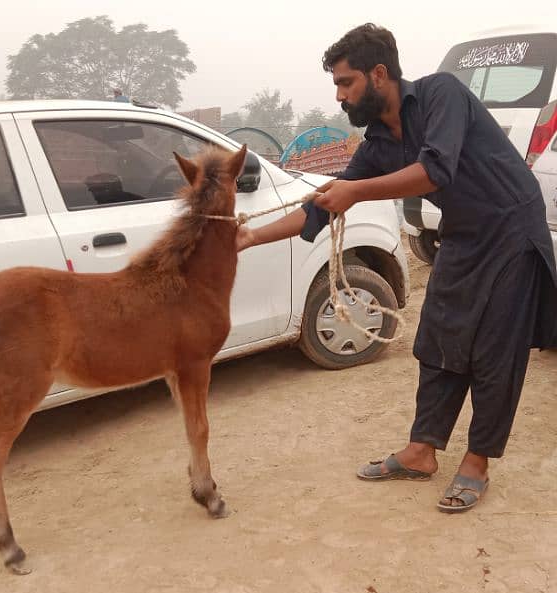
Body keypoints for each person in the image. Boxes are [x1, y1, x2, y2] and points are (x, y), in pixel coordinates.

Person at [237, 23, 557, 512]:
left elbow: (436, 169)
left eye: (346, 83)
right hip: (465, 234)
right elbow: (322, 206)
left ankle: (476, 462)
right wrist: (251, 236)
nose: (340, 96)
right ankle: (421, 451)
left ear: (379, 74)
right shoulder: (377, 145)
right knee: (439, 337)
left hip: (512, 227)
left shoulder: (441, 94)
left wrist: (355, 191)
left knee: (495, 348)